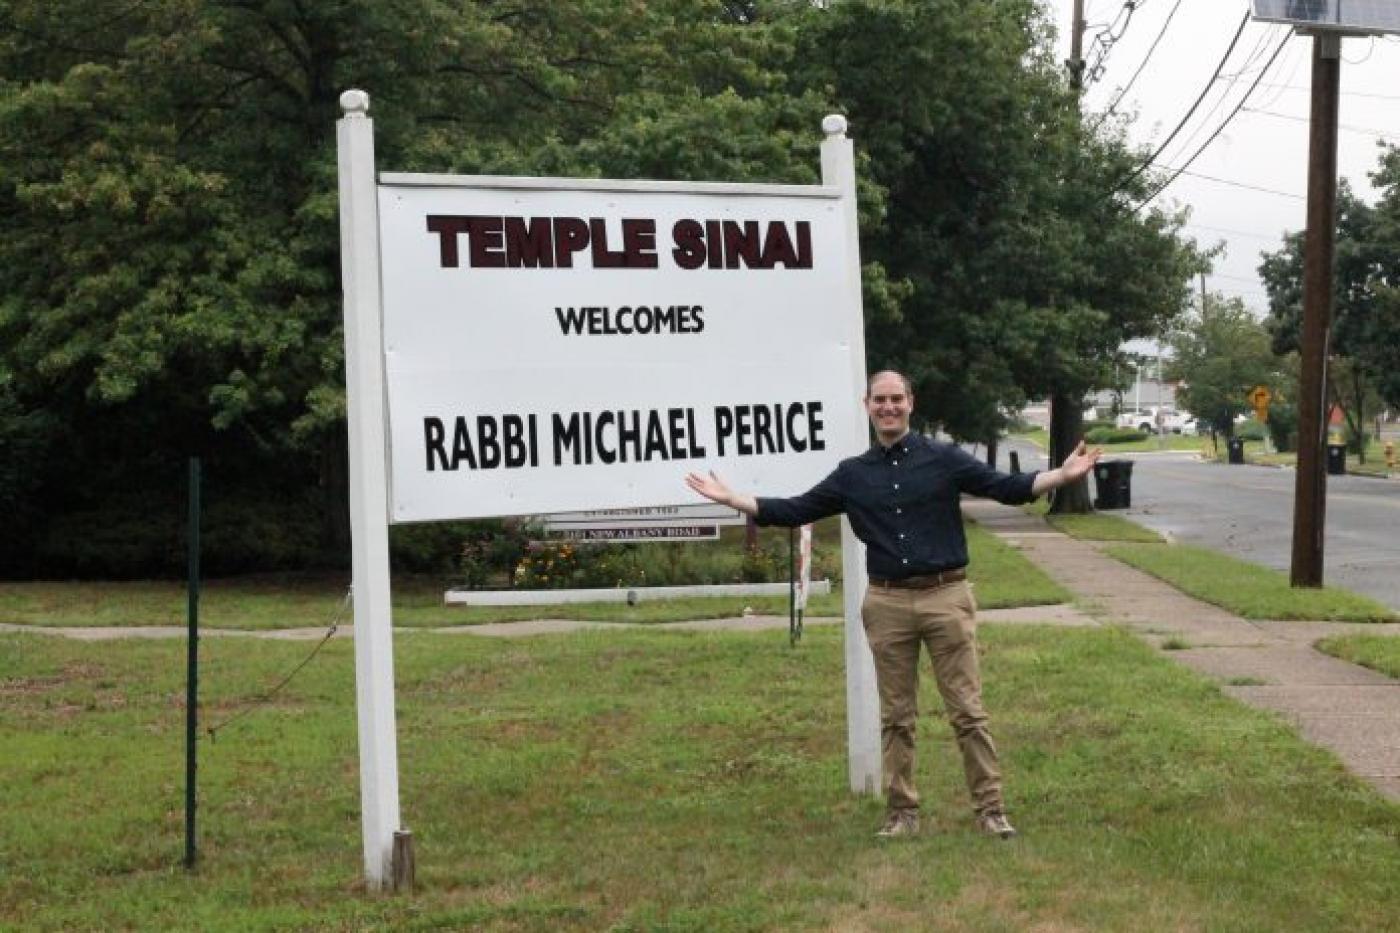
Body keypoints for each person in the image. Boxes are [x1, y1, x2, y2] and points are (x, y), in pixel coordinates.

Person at [685, 370, 1101, 839]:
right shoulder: (852, 475)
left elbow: (1005, 487)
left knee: (967, 710)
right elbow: (795, 509)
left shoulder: (943, 459)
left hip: (946, 595)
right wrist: (735, 499)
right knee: (897, 717)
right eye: (879, 400)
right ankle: (902, 812)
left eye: (895, 399)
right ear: (867, 406)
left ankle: (991, 809)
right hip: (887, 601)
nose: (888, 407)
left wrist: (1061, 476)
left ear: (910, 403)